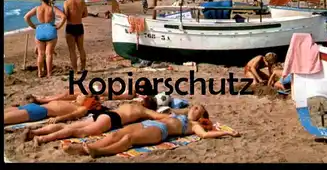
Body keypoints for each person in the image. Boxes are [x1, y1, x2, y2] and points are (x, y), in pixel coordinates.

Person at [63, 104, 240, 158]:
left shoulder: (194, 126)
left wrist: (226, 132)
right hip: (148, 123)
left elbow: (205, 134)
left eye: (198, 109)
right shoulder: (179, 114)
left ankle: (99, 152)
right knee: (116, 134)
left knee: (129, 139)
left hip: (159, 130)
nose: (194, 108)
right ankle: (85, 148)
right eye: (194, 106)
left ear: (202, 115)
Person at [25, 96, 179, 145]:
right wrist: (172, 115)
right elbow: (160, 117)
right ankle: (42, 138)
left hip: (105, 114)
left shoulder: (130, 104)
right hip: (112, 119)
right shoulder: (143, 111)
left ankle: (35, 132)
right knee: (77, 132)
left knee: (71, 126)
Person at [24, 0, 67, 78]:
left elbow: (26, 17)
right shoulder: (52, 8)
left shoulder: (37, 8)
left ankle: (40, 73)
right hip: (50, 30)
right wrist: (58, 26)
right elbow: (64, 17)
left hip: (40, 30)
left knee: (40, 54)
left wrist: (33, 26)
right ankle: (49, 73)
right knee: (49, 54)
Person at [4, 94, 101, 126]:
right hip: (33, 106)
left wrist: (59, 118)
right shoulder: (74, 102)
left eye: (82, 96)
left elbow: (74, 115)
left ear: (87, 101)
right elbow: (68, 94)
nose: (79, 95)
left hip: (39, 111)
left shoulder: (82, 108)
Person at [63, 0, 88, 72]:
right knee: (81, 48)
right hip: (79, 25)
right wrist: (78, 16)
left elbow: (66, 15)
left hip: (70, 26)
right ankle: (83, 68)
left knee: (72, 50)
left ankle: (75, 69)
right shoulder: (81, 1)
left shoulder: (66, 2)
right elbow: (85, 14)